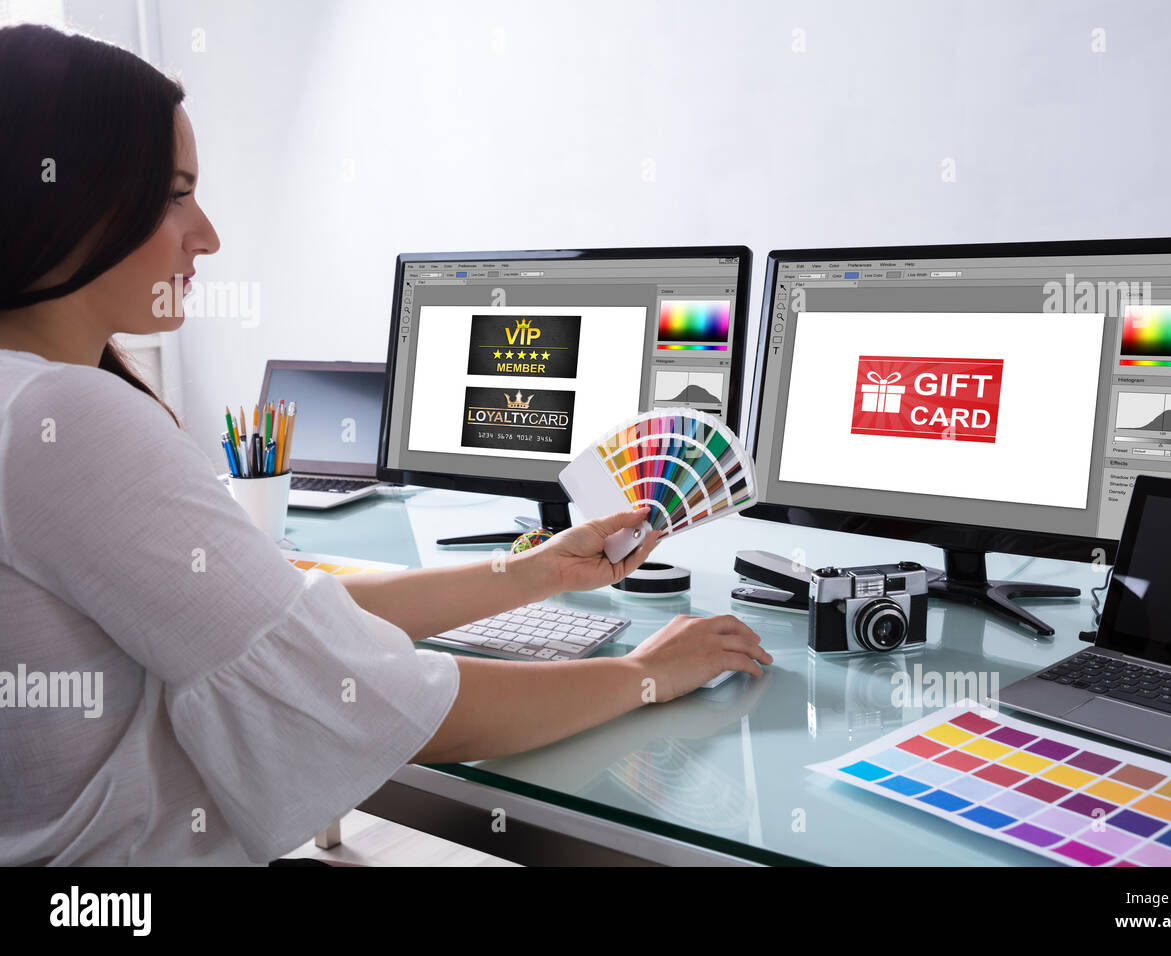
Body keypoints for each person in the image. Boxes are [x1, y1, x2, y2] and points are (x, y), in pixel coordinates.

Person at [0, 24, 771, 866]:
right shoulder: (66, 418)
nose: (208, 235)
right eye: (176, 193)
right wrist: (645, 676)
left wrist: (538, 570)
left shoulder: (29, 400)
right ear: (70, 195)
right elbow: (380, 704)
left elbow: (286, 626)